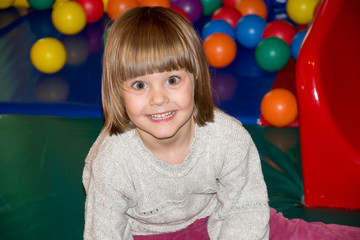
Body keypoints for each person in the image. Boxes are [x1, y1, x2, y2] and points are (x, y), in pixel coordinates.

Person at [82, 6, 360, 240]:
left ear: (196, 78)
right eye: (140, 84)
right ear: (117, 91)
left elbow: (244, 210)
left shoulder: (226, 137)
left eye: (172, 80)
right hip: (148, 232)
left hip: (216, 214)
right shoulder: (112, 161)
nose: (158, 98)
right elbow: (104, 233)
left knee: (290, 232)